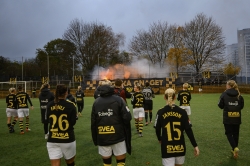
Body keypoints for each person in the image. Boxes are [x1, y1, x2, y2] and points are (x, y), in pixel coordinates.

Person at [154, 88, 199, 166]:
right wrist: (195, 145)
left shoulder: (160, 112)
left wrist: (159, 138)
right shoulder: (183, 112)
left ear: (164, 97)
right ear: (175, 97)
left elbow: (157, 128)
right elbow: (188, 130)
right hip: (180, 147)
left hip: (167, 147)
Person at [91, 80, 132, 166]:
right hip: (118, 135)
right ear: (111, 87)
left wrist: (95, 138)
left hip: (102, 135)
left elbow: (93, 122)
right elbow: (127, 117)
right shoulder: (119, 100)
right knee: (120, 161)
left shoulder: (96, 102)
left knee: (107, 162)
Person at [46, 84, 77, 166]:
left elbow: (48, 120)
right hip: (67, 138)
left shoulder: (49, 105)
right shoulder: (71, 105)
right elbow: (73, 122)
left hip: (52, 139)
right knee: (70, 163)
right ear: (66, 93)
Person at [218, 80, 244, 159]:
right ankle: (234, 150)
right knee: (236, 134)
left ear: (229, 86)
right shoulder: (239, 95)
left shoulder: (224, 94)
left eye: (226, 85)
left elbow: (220, 105)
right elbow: (241, 106)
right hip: (237, 117)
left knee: (229, 133)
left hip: (228, 118)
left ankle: (235, 148)